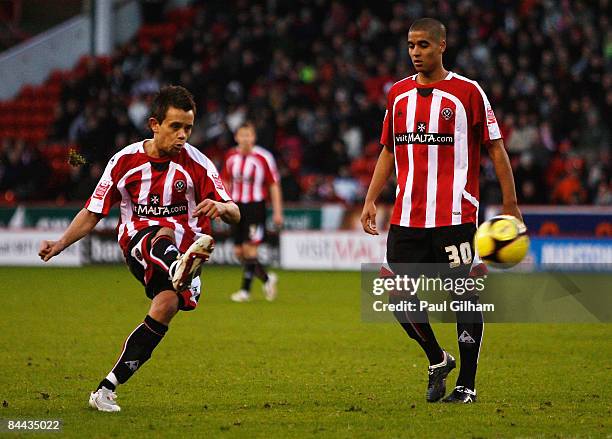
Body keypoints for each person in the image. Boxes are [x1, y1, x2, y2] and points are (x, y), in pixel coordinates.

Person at [38, 86, 240, 412]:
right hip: (139, 243)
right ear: (154, 124)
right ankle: (179, 267)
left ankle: (106, 388)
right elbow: (93, 211)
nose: (183, 135)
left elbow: (235, 213)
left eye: (188, 127)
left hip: (185, 246)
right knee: (160, 232)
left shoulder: (198, 164)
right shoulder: (124, 162)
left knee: (165, 308)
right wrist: (60, 244)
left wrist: (220, 206)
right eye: (175, 126)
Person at [360, 18, 522, 404]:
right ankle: (437, 358)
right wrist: (370, 197)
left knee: (462, 298)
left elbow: (495, 147)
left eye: (423, 45)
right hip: (407, 217)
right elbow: (388, 150)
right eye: (411, 45)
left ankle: (467, 384)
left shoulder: (468, 92)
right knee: (395, 291)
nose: (415, 52)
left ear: (442, 46)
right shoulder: (397, 95)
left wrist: (511, 204)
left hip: (454, 217)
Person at [221, 122, 283, 302]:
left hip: (255, 207)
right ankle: (267, 279)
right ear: (236, 137)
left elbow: (274, 185)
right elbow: (224, 180)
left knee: (250, 249)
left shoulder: (264, 157)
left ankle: (245, 292)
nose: (246, 139)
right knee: (239, 252)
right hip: (236, 208)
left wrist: (278, 212)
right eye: (242, 135)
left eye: (249, 135)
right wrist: (223, 203)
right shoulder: (231, 156)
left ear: (254, 137)